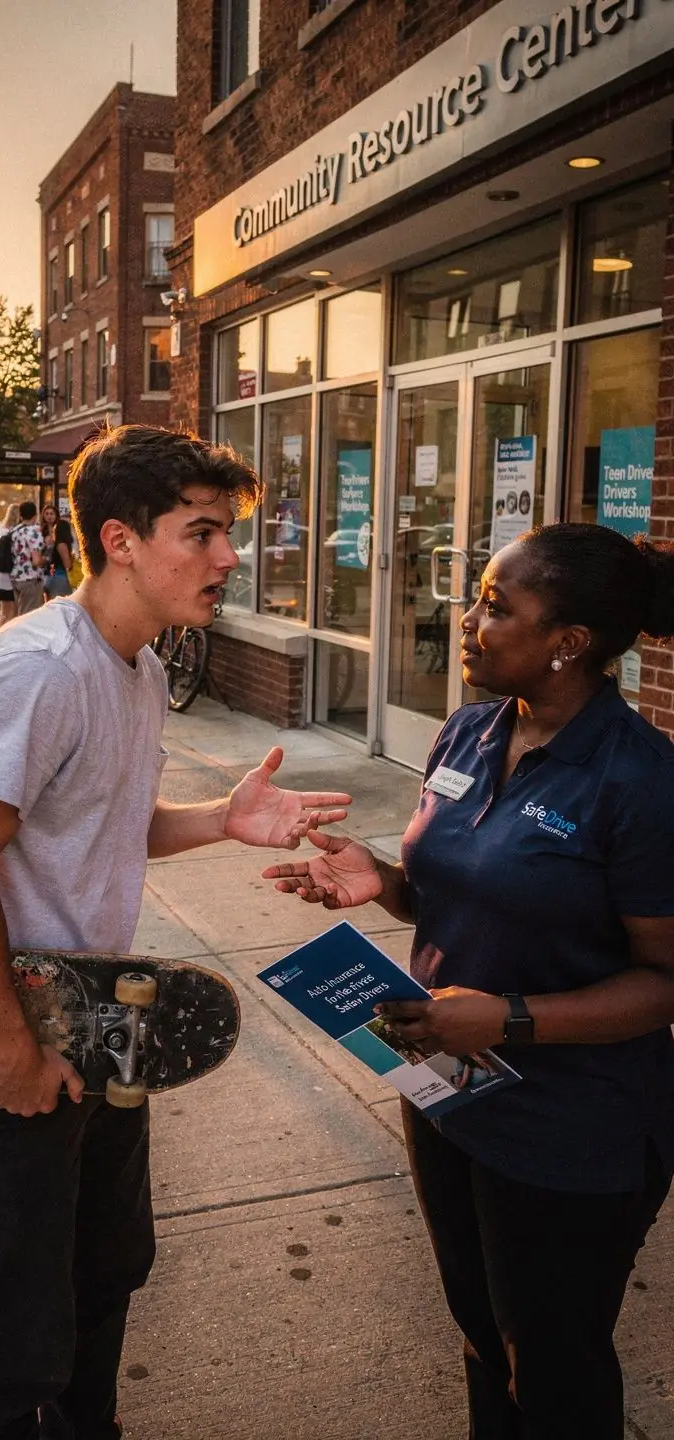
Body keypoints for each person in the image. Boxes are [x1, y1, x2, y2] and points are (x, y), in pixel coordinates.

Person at [0, 422, 353, 1440]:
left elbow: (101, 823)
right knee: (16, 1344)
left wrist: (221, 822)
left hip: (93, 1033)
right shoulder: (37, 671)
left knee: (105, 1279)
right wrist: (9, 1052)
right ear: (121, 539)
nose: (228, 558)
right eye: (201, 533)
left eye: (226, 533)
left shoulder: (137, 667)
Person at [264, 521, 674, 1440]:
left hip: (573, 1126)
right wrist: (385, 882)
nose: (466, 618)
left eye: (496, 605)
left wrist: (509, 1020)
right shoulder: (471, 730)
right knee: (484, 1335)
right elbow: (470, 886)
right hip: (446, 1090)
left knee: (555, 1366)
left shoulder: (640, 782)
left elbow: (666, 979)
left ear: (568, 643)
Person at [9, 499, 45, 614]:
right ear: (35, 515)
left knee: (19, 613)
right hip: (31, 578)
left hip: (15, 578)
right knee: (30, 616)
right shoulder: (34, 531)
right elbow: (36, 560)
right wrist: (46, 560)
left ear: (21, 515)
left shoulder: (14, 530)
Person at [41, 500, 75, 600]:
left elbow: (65, 548)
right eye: (46, 514)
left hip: (58, 569)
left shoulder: (61, 529)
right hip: (45, 572)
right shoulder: (42, 531)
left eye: (52, 513)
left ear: (56, 515)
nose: (49, 516)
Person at [0, 501, 20, 625]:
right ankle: (2, 639)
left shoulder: (2, 530)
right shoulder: (14, 532)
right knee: (13, 612)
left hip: (0, 577)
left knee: (4, 612)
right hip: (11, 577)